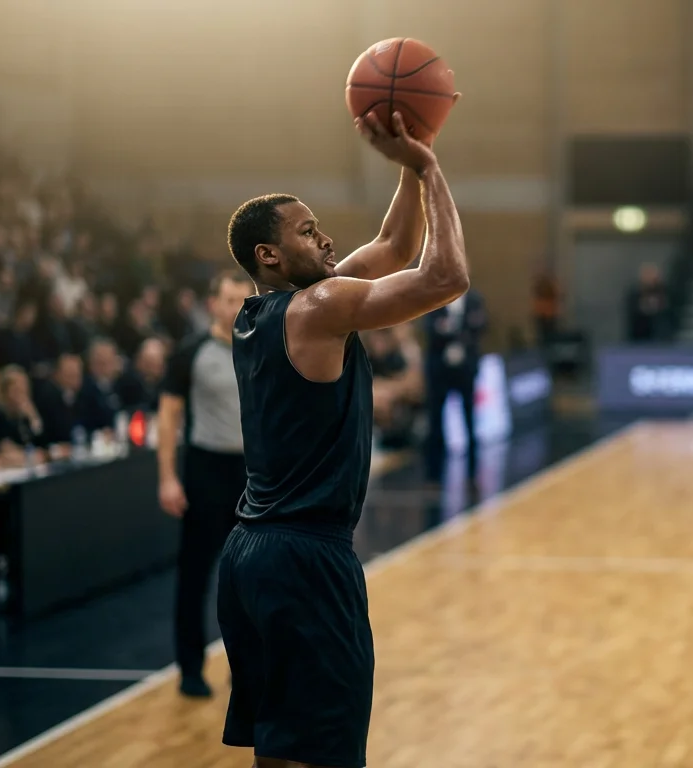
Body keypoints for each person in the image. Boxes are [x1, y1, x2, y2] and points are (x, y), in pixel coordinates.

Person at [217, 106, 466, 768]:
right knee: (326, 751)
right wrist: (430, 168)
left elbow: (393, 245)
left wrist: (413, 158)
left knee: (279, 747)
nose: (325, 240)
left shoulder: (263, 313)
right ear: (269, 255)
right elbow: (445, 276)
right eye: (307, 232)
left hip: (249, 555)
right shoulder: (319, 308)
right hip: (306, 558)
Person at [156, 270, 253, 698]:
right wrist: (167, 477)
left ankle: (247, 668)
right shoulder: (190, 352)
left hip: (253, 474)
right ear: (212, 304)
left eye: (241, 299)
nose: (235, 307)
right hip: (205, 468)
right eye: (227, 299)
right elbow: (168, 416)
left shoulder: (261, 346)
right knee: (195, 574)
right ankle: (190, 668)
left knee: (250, 576)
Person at [422, 286, 486, 490]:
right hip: (440, 371)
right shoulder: (434, 298)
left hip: (465, 371)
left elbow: (482, 324)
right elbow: (428, 327)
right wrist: (448, 330)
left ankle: (472, 476)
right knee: (436, 424)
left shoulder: (474, 299)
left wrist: (455, 330)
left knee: (470, 423)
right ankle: (434, 478)